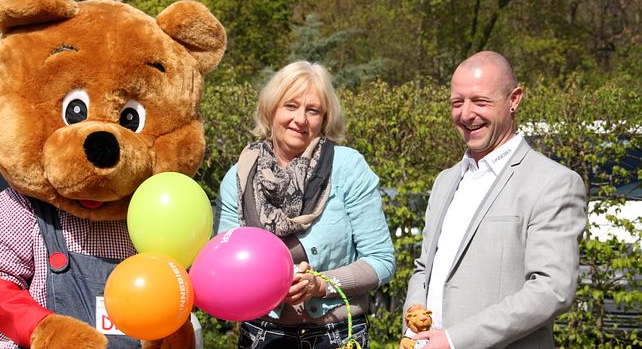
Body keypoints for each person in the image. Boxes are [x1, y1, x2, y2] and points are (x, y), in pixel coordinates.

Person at [402, 51, 587, 349]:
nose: (466, 113)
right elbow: (424, 268)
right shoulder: (445, 181)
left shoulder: (554, 183)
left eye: (480, 101)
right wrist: (413, 323)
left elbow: (553, 289)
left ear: (514, 99)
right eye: (457, 102)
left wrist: (453, 341)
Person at [214, 60, 395, 349]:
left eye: (313, 111)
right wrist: (266, 286)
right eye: (290, 106)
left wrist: (322, 285)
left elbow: (382, 261)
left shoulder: (348, 167)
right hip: (262, 335)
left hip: (336, 336)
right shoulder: (239, 176)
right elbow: (223, 267)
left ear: (324, 119)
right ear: (271, 109)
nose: (300, 119)